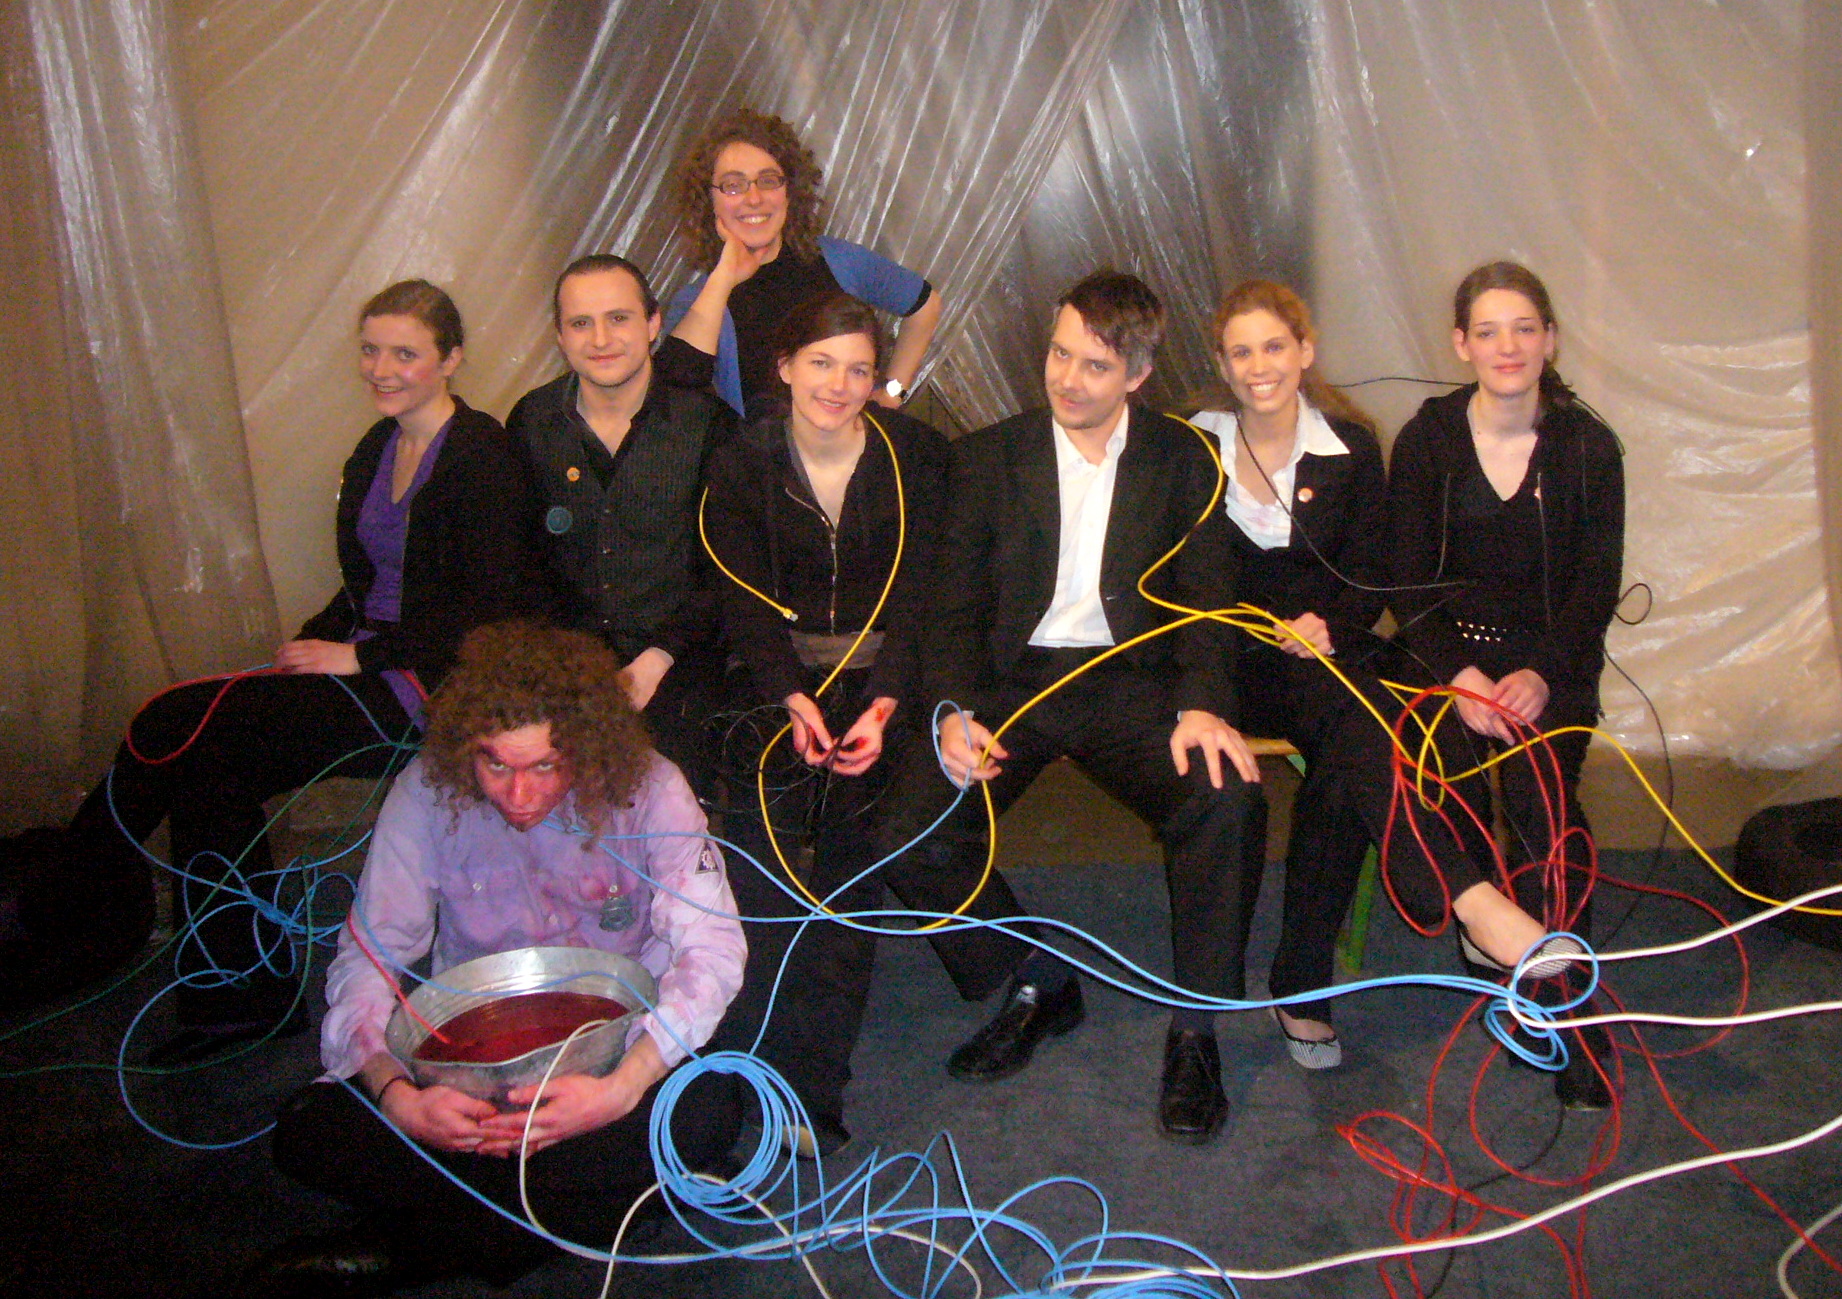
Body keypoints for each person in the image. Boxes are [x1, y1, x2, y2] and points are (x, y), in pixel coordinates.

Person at [0, 281, 542, 1057]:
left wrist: (358, 656)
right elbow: (363, 587)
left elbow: (488, 606)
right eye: (370, 350)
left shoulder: (483, 455)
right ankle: (228, 994)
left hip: (429, 688)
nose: (381, 369)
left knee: (187, 733)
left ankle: (65, 905)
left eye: (405, 353)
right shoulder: (376, 447)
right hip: (366, 663)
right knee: (192, 752)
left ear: (450, 359)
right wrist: (311, 644)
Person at [870, 270, 1261, 1144]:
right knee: (907, 832)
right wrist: (951, 712)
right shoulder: (985, 458)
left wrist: (1202, 705)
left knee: (1226, 797)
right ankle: (1036, 977)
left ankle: (1196, 1030)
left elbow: (1209, 602)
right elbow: (950, 610)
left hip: (1132, 679)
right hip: (1013, 681)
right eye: (1059, 354)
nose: (1067, 378)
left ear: (1138, 375)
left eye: (1094, 364)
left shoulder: (1184, 459)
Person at [247, 622, 744, 1296]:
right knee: (309, 1130)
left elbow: (712, 948)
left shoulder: (651, 788)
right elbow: (368, 954)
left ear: (588, 745)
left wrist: (622, 1088)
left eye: (545, 765)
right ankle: (566, 1214)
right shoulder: (426, 792)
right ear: (465, 750)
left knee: (709, 1109)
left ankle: (421, 1246)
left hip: (612, 1058)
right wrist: (398, 1098)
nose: (519, 794)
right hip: (470, 1075)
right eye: (496, 764)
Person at [1194, 279, 1586, 1079]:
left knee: (1354, 744)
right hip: (1225, 665)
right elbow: (1173, 574)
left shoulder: (1351, 445)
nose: (1260, 365)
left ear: (1305, 351)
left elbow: (1374, 571)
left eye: (1275, 346)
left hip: (1323, 661)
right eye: (1241, 351)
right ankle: (1470, 904)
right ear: (1223, 366)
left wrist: (1328, 627)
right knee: (1359, 720)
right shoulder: (1188, 447)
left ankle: (1304, 974)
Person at [699, 292, 952, 1153]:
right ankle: (743, 1067)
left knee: (852, 860)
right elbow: (740, 599)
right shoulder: (740, 463)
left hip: (885, 678)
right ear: (782, 367)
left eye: (858, 368)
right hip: (776, 675)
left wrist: (884, 702)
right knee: (760, 857)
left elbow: (922, 596)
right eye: (820, 363)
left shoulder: (915, 457)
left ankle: (811, 1089)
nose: (839, 385)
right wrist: (788, 694)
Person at [1389, 260, 1626, 1108]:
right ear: (1461, 343)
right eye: (1487, 331)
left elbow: (1596, 587)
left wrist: (1539, 674)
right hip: (1446, 662)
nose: (1508, 346)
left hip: (1547, 669)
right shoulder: (1427, 440)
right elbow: (1407, 581)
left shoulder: (1589, 447)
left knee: (1541, 803)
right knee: (1432, 776)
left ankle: (1568, 1001)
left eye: (1524, 328)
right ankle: (1490, 930)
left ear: (1550, 338)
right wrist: (1461, 676)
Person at [506, 254, 735, 800]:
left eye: (619, 318)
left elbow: (726, 571)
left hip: (680, 659)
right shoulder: (531, 422)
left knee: (668, 798)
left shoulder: (710, 426)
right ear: (560, 336)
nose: (601, 339)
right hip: (564, 661)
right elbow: (521, 563)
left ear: (653, 324)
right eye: (581, 323)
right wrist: (565, 667)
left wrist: (658, 658)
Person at [657, 106, 944, 419]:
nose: (754, 198)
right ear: (708, 200)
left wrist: (892, 393)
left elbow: (926, 305)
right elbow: (672, 390)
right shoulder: (699, 301)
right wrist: (724, 276)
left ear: (790, 190)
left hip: (853, 442)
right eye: (734, 185)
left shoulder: (839, 260)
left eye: (768, 180)